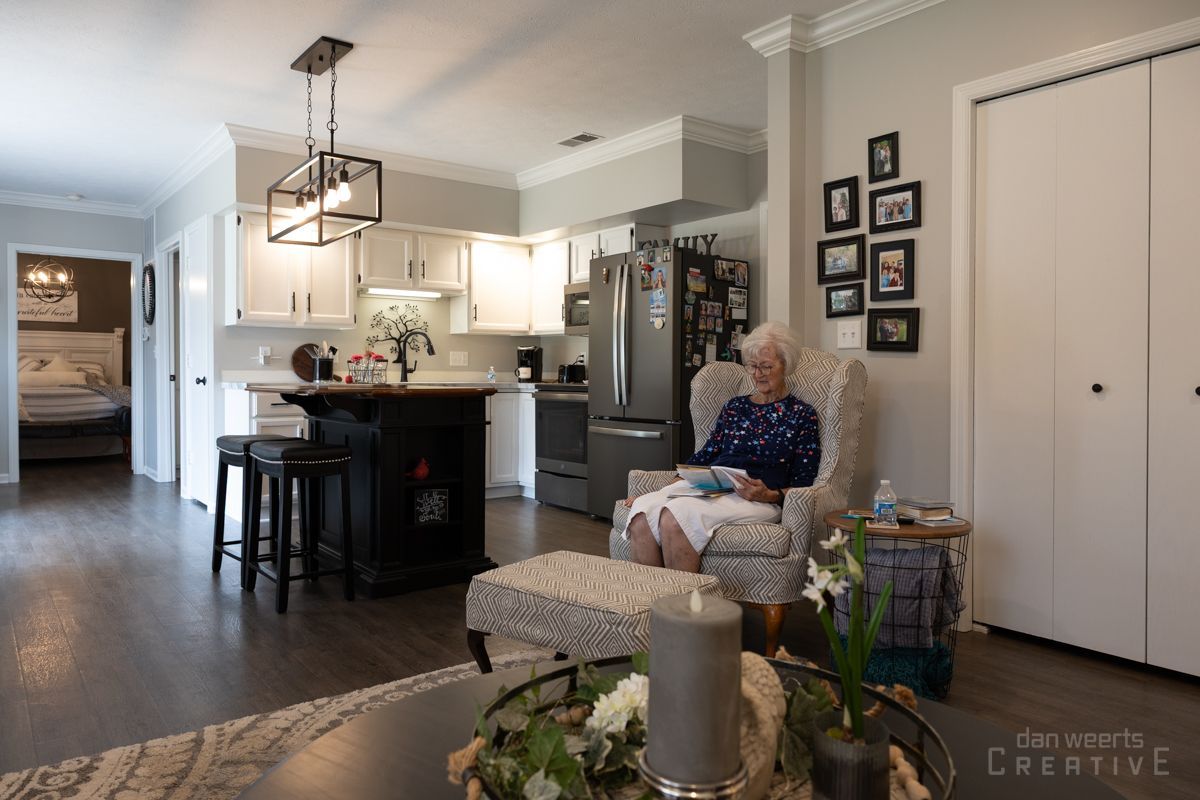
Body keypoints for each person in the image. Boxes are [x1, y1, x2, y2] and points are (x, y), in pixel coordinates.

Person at [621, 321, 821, 572]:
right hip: (712, 487)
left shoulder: (801, 415)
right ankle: (651, 607)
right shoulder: (734, 407)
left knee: (675, 518)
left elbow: (805, 481)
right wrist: (660, 492)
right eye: (753, 366)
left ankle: (681, 609)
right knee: (641, 513)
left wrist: (771, 495)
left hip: (756, 500)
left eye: (766, 366)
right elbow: (706, 454)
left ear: (786, 365)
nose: (758, 374)